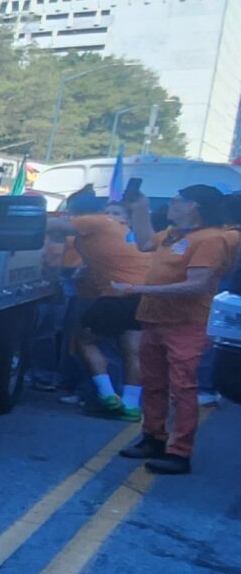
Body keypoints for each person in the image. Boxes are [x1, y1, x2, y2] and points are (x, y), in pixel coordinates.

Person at [113, 184, 241, 474]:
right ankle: (153, 437)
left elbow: (197, 284)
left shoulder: (210, 239)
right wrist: (140, 208)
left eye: (175, 200)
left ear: (193, 206)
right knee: (154, 382)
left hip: (187, 324)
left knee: (182, 388)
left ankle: (179, 452)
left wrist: (136, 289)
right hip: (156, 319)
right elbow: (144, 243)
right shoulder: (173, 235)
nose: (170, 204)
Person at [61, 191, 146, 420]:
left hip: (118, 292)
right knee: (131, 350)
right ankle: (130, 405)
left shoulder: (95, 221)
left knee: (83, 340)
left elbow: (53, 225)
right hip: (143, 292)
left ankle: (107, 395)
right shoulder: (118, 228)